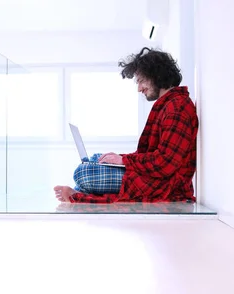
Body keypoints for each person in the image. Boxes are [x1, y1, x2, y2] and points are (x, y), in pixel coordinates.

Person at [54, 47, 199, 204]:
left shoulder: (176, 108)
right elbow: (156, 156)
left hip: (165, 184)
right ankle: (78, 192)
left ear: (157, 75)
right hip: (156, 176)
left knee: (83, 174)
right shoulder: (169, 105)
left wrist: (124, 161)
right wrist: (120, 158)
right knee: (96, 159)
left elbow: (165, 164)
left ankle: (78, 194)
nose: (139, 89)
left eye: (142, 81)